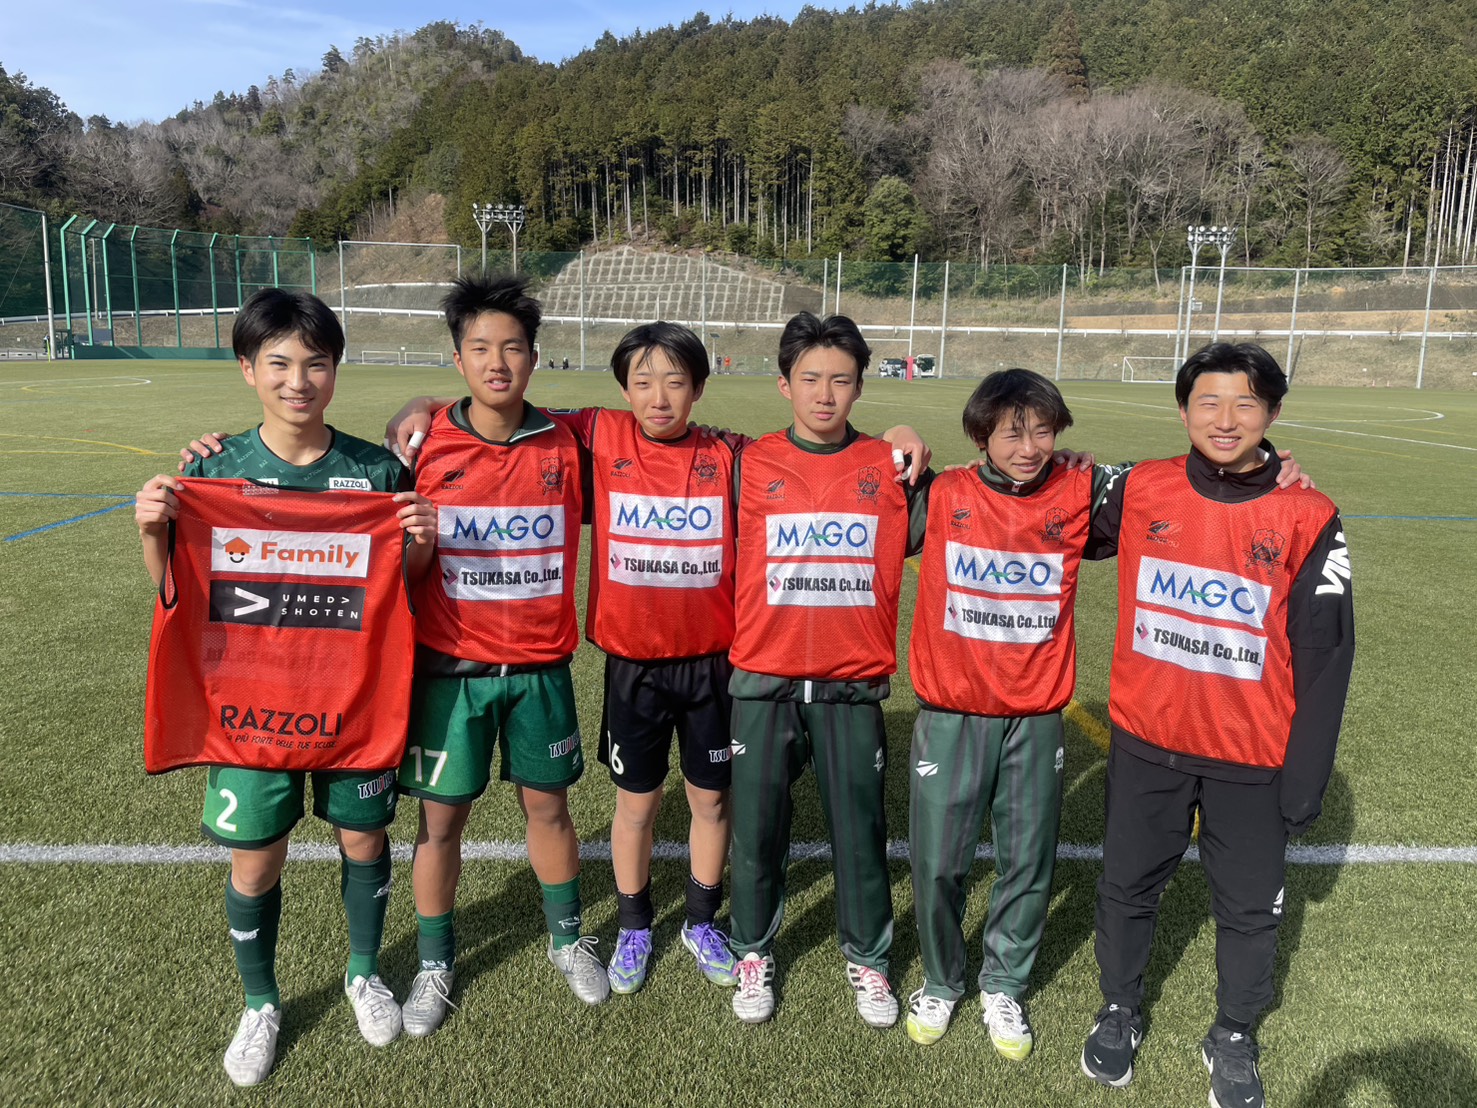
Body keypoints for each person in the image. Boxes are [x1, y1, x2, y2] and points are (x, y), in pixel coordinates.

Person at [383, 323, 928, 1000]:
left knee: (711, 800)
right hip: (632, 666)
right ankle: (634, 925)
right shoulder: (593, 434)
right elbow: (501, 406)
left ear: (698, 389)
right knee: (635, 804)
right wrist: (424, 404)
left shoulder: (732, 454)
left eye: (675, 382)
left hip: (712, 665)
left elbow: (816, 452)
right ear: (623, 390)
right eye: (643, 382)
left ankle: (701, 921)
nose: (659, 397)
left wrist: (898, 431)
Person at [134, 288, 436, 1086]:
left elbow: (400, 594)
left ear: (336, 369)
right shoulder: (213, 467)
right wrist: (153, 529)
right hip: (250, 708)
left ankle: (363, 974)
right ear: (247, 369)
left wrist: (417, 544)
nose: (298, 381)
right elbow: (176, 591)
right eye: (279, 363)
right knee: (254, 864)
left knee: (363, 840)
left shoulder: (375, 471)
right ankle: (260, 1002)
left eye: (316, 363)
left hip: (352, 701)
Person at [1079, 343, 1354, 1108]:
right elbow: (1043, 503)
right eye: (1207, 400)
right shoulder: (1141, 486)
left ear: (1272, 412)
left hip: (1251, 757)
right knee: (1126, 887)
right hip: (1146, 742)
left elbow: (1326, 655)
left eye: (1244, 403)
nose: (1224, 419)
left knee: (1248, 910)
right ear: (1181, 410)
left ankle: (1232, 1034)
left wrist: (1303, 780)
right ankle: (1118, 1008)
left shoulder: (1308, 513)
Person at [396, 273, 605, 1034]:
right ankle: (434, 961)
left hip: (540, 670)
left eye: (512, 347)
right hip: (450, 674)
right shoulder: (421, 445)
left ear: (534, 357)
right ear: (457, 359)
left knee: (549, 808)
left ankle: (568, 939)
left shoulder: (569, 441)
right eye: (480, 347)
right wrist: (415, 408)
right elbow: (396, 566)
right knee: (440, 822)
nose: (497, 362)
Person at [903, 368, 1124, 1053]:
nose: (1029, 447)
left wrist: (1272, 465)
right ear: (981, 437)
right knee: (938, 864)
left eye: (1042, 431)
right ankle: (941, 981)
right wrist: (896, 435)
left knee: (1027, 861)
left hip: (1034, 717)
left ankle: (1003, 984)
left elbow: (1175, 488)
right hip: (951, 713)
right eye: (1011, 433)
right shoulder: (945, 493)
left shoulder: (1080, 491)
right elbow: (862, 491)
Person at [725, 312, 933, 1029]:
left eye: (840, 380)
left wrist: (904, 435)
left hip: (850, 686)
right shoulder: (746, 463)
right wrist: (423, 408)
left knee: (860, 833)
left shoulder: (890, 468)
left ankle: (869, 959)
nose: (824, 394)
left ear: (859, 388)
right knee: (755, 833)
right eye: (810, 378)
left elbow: (983, 505)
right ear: (784, 384)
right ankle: (752, 950)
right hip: (763, 683)